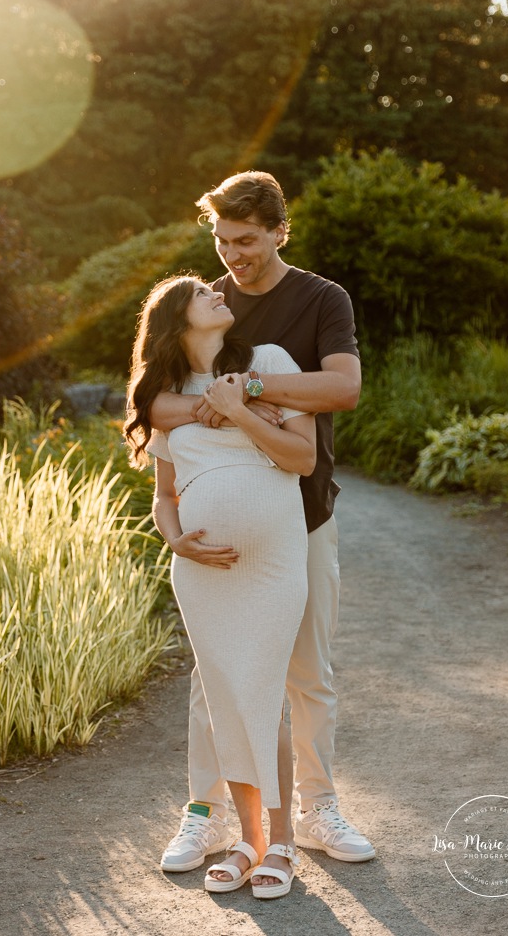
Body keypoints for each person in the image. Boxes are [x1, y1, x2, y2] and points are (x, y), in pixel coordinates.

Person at [152, 171, 376, 873]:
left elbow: (341, 388)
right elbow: (152, 400)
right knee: (210, 678)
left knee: (307, 671)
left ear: (280, 231)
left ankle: (317, 809)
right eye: (222, 241)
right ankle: (208, 816)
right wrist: (211, 407)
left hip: (302, 518)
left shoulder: (319, 299)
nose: (232, 257)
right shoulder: (207, 304)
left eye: (246, 241)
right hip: (213, 537)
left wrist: (246, 389)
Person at [123, 274, 317, 898]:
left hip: (273, 561)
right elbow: (163, 496)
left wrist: (237, 410)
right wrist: (176, 540)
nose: (218, 291)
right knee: (228, 699)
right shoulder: (168, 394)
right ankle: (248, 839)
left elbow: (302, 458)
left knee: (262, 692)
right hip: (202, 572)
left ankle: (282, 842)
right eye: (202, 293)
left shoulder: (269, 365)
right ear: (177, 319)